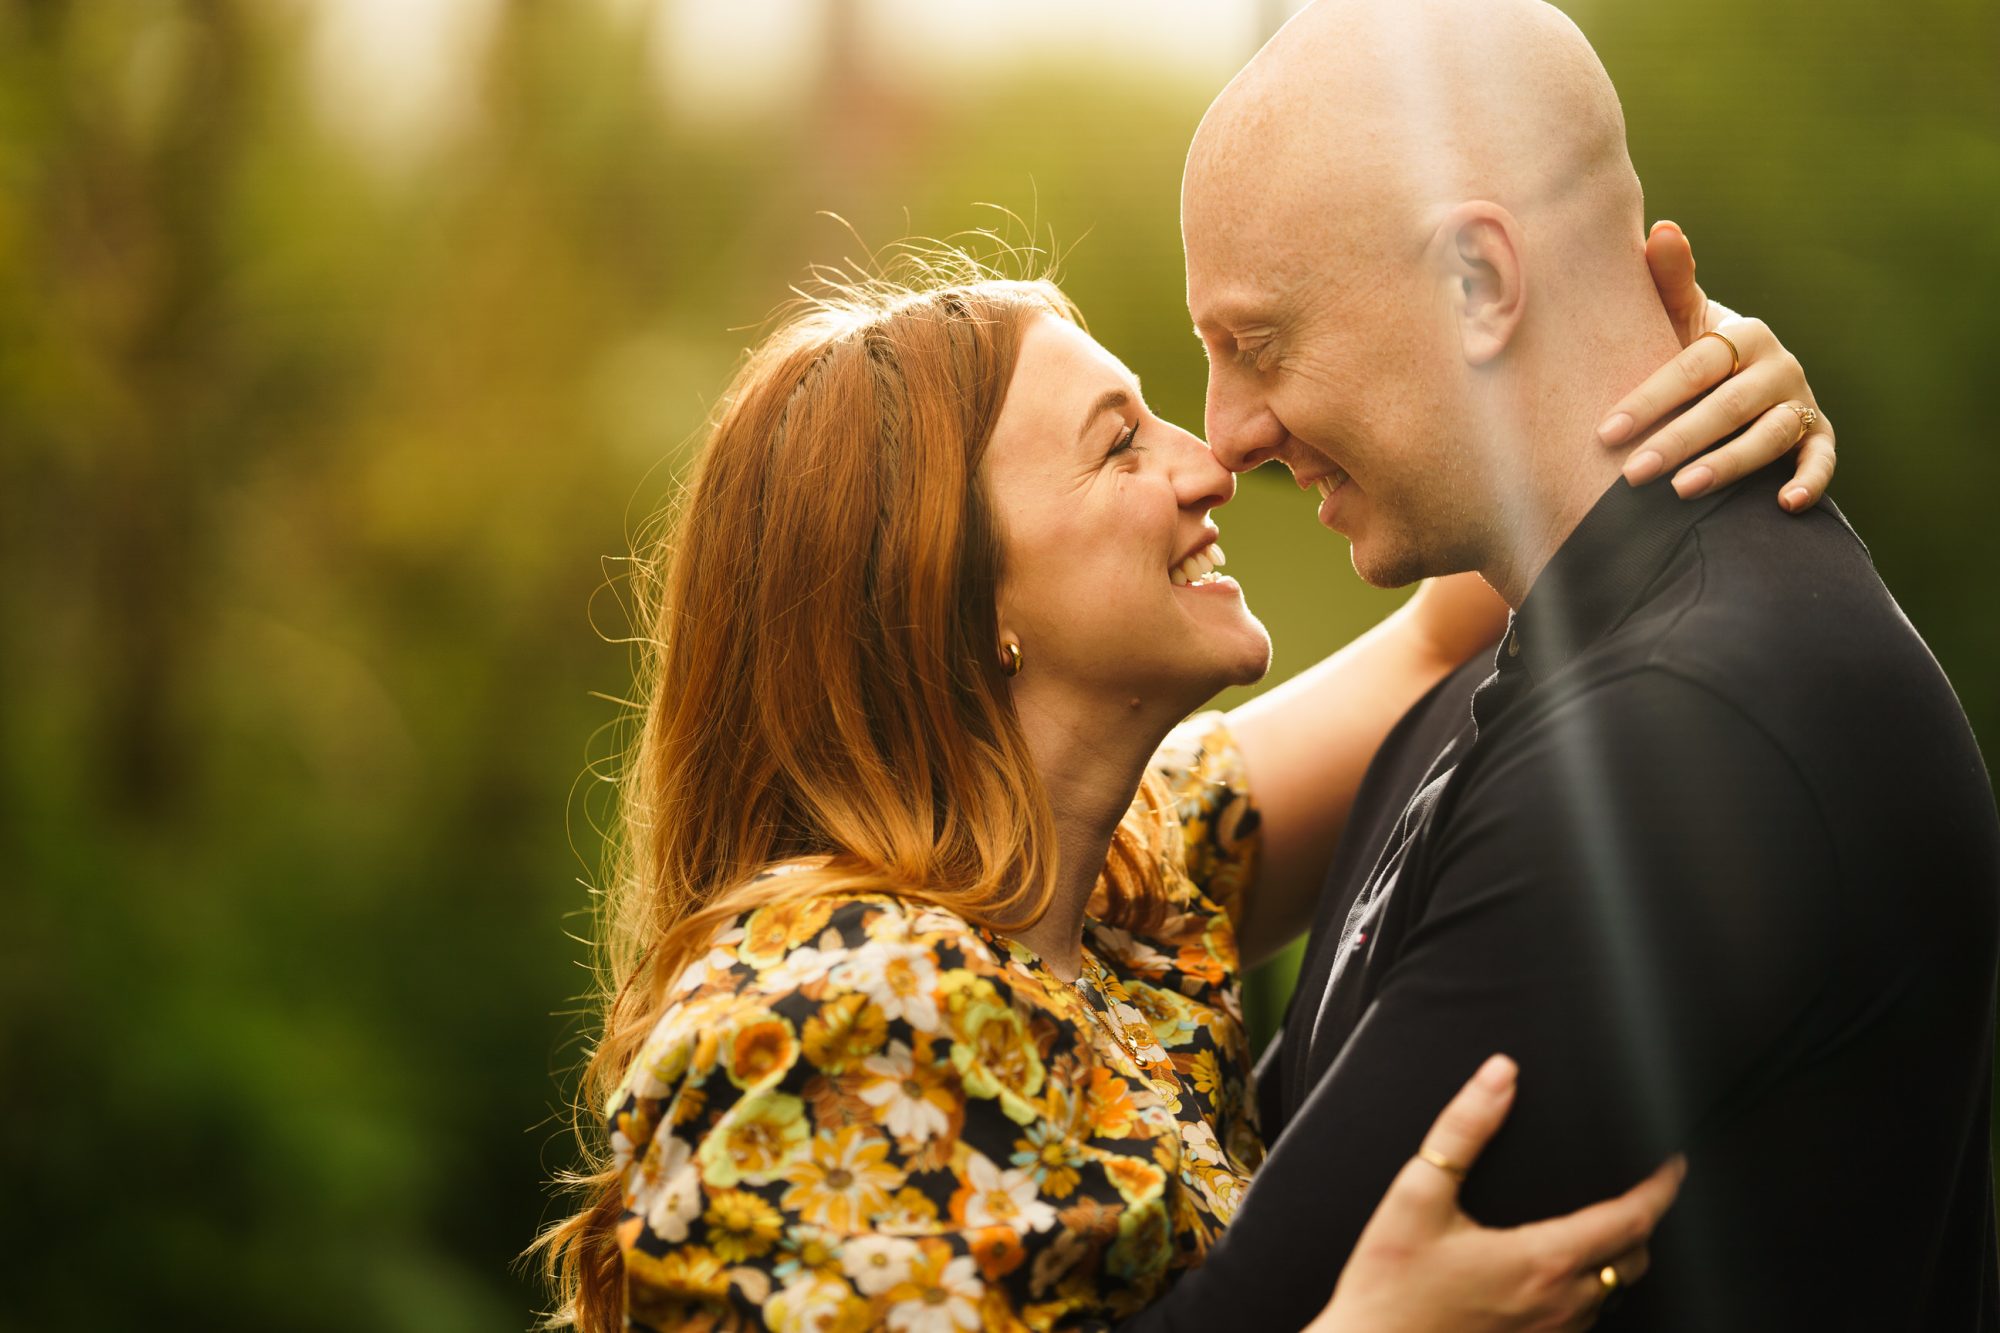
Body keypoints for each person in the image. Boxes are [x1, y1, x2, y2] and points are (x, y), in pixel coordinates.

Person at [532, 242, 1832, 1330]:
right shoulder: (823, 1011)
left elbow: (1469, 610)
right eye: (1118, 448)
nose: (1210, 462)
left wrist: (1693, 378)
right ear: (956, 587)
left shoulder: (1123, 894)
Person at [1122, 1, 2000, 1330]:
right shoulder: (1531, 662)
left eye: (1258, 343)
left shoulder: (1672, 742)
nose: (1225, 436)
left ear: (1480, 281)